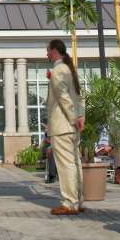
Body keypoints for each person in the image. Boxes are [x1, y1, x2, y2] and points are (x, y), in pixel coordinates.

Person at [45, 38, 85, 216]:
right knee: (75, 163)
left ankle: (69, 202)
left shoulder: (58, 70)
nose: (46, 54)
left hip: (63, 125)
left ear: (54, 51)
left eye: (48, 50)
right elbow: (79, 96)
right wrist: (80, 117)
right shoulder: (70, 69)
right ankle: (78, 200)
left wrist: (74, 118)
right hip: (72, 126)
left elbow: (63, 97)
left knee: (66, 165)